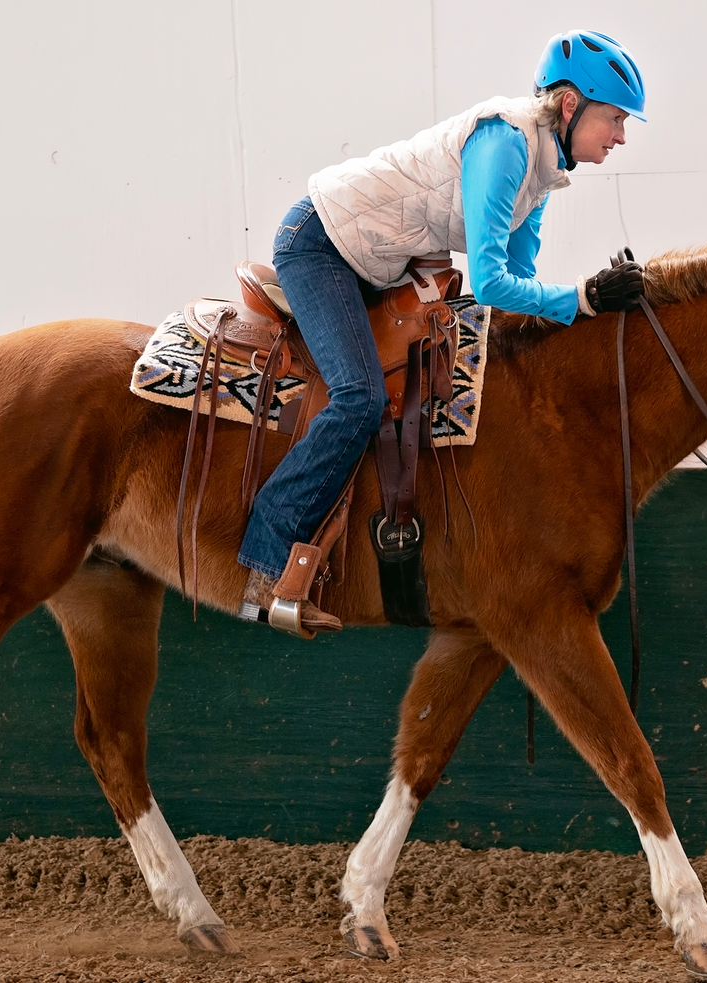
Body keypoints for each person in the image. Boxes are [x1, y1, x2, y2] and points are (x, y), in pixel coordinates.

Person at [237, 29, 650, 633]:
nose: (619, 136)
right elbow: (488, 283)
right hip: (320, 246)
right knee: (359, 399)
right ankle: (264, 556)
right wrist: (585, 297)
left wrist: (590, 309)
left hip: (372, 262)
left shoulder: (542, 173)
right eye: (614, 118)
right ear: (570, 106)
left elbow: (519, 287)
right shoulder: (505, 143)